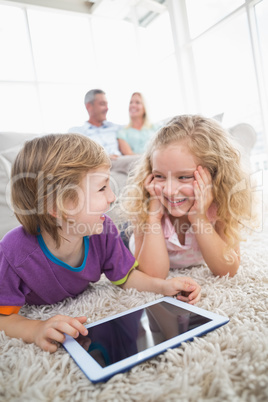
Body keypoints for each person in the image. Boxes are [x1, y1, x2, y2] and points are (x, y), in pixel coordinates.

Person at [0, 133, 201, 353]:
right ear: (58, 207)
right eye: (102, 188)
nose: (113, 197)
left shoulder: (103, 229)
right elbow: (3, 317)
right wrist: (36, 328)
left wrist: (163, 287)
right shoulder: (14, 252)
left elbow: (126, 277)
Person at [123, 114, 253, 279]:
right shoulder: (145, 207)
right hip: (127, 238)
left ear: (214, 175)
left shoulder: (220, 206)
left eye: (184, 177)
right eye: (159, 176)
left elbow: (227, 270)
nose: (169, 190)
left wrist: (199, 218)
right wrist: (153, 218)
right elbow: (152, 275)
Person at [69, 89, 122, 159]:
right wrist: (105, 157)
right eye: (102, 104)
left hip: (120, 161)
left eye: (107, 104)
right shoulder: (77, 133)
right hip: (100, 164)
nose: (107, 108)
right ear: (89, 106)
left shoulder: (115, 128)